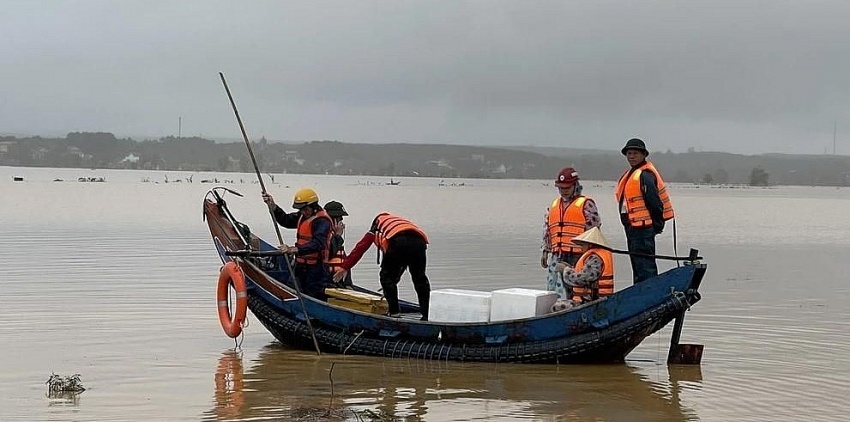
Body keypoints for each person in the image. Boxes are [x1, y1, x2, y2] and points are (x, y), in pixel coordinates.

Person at [332, 212, 430, 320]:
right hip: (419, 242)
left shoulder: (377, 228)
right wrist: (389, 287)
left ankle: (394, 313)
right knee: (420, 280)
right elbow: (399, 264)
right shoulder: (395, 223)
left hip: (398, 242)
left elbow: (360, 248)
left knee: (386, 278)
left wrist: (344, 267)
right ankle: (427, 314)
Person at [615, 138, 675, 284]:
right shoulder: (631, 174)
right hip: (632, 228)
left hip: (644, 229)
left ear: (643, 155)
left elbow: (655, 203)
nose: (631, 156)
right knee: (637, 266)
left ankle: (649, 293)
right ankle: (640, 293)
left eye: (635, 153)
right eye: (629, 153)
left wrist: (656, 226)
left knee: (645, 267)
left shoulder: (645, 175)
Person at [541, 167, 601, 300]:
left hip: (578, 255)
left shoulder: (586, 204)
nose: (563, 191)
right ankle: (555, 311)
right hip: (557, 255)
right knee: (554, 290)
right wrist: (545, 251)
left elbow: (594, 230)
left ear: (575, 186)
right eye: (561, 188)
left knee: (576, 291)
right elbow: (547, 230)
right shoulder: (554, 205)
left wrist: (590, 253)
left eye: (567, 188)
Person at [262, 188, 333, 300]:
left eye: (305, 209)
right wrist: (273, 206)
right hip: (300, 266)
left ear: (314, 206)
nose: (303, 212)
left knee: (314, 295)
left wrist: (293, 249)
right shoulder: (302, 216)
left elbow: (318, 243)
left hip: (316, 270)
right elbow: (285, 220)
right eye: (301, 209)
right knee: (294, 291)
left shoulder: (322, 221)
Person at [554, 227, 615, 305]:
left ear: (589, 245)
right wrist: (570, 268)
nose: (580, 248)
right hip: (590, 300)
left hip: (592, 301)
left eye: (582, 245)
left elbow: (583, 278)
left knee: (556, 307)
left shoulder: (594, 258)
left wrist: (565, 270)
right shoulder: (596, 255)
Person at [323, 200, 352, 287]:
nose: (341, 221)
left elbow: (345, 262)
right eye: (339, 218)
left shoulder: (334, 236)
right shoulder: (322, 235)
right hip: (327, 283)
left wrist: (348, 284)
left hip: (339, 283)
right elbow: (328, 253)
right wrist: (338, 236)